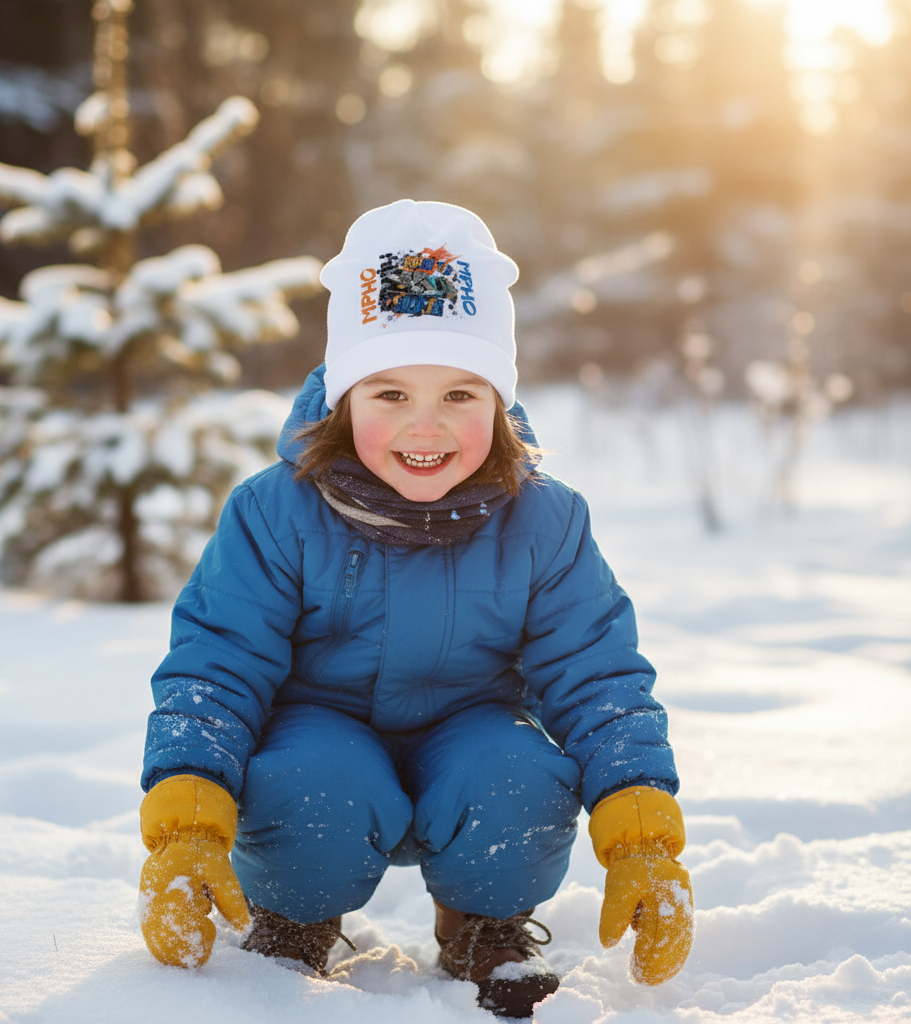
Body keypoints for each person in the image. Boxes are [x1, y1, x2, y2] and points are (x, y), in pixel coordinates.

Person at [136, 199, 693, 1017]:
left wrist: (640, 823)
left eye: (461, 394)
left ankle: (484, 927)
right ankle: (294, 922)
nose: (425, 427)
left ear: (499, 403)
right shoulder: (275, 511)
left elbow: (596, 672)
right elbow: (218, 662)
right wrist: (188, 812)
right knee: (310, 778)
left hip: (469, 735)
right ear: (343, 398)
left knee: (520, 773)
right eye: (390, 393)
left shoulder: (545, 519)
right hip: (319, 737)